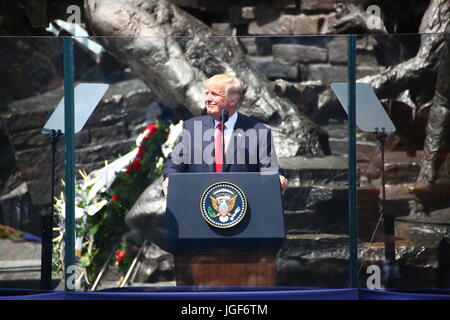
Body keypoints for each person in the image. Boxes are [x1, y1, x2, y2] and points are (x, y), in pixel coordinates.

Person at [162, 74, 288, 197]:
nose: (208, 99)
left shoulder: (257, 132)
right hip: (197, 204)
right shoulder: (192, 128)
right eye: (207, 93)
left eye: (215, 94)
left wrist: (276, 178)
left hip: (242, 208)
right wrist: (170, 177)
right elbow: (175, 162)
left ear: (233, 100)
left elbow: (270, 169)